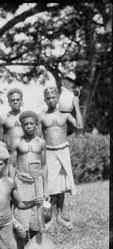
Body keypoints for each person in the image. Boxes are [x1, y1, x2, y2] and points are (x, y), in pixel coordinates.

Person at [39, 86, 83, 231]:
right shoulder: (42, 116)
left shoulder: (65, 115)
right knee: (51, 187)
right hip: (49, 153)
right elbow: (38, 137)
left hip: (63, 150)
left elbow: (80, 126)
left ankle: (59, 216)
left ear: (57, 98)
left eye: (53, 98)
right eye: (48, 98)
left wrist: (76, 106)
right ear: (45, 100)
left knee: (62, 187)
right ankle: (51, 218)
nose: (51, 100)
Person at [10, 111, 48, 249]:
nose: (29, 126)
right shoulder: (17, 143)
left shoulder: (41, 143)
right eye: (26, 124)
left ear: (36, 125)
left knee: (37, 215)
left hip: (36, 182)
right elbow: (12, 165)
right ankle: (21, 248)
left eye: (32, 124)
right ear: (22, 126)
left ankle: (35, 247)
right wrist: (11, 185)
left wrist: (46, 187)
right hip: (21, 181)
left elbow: (44, 166)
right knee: (21, 214)